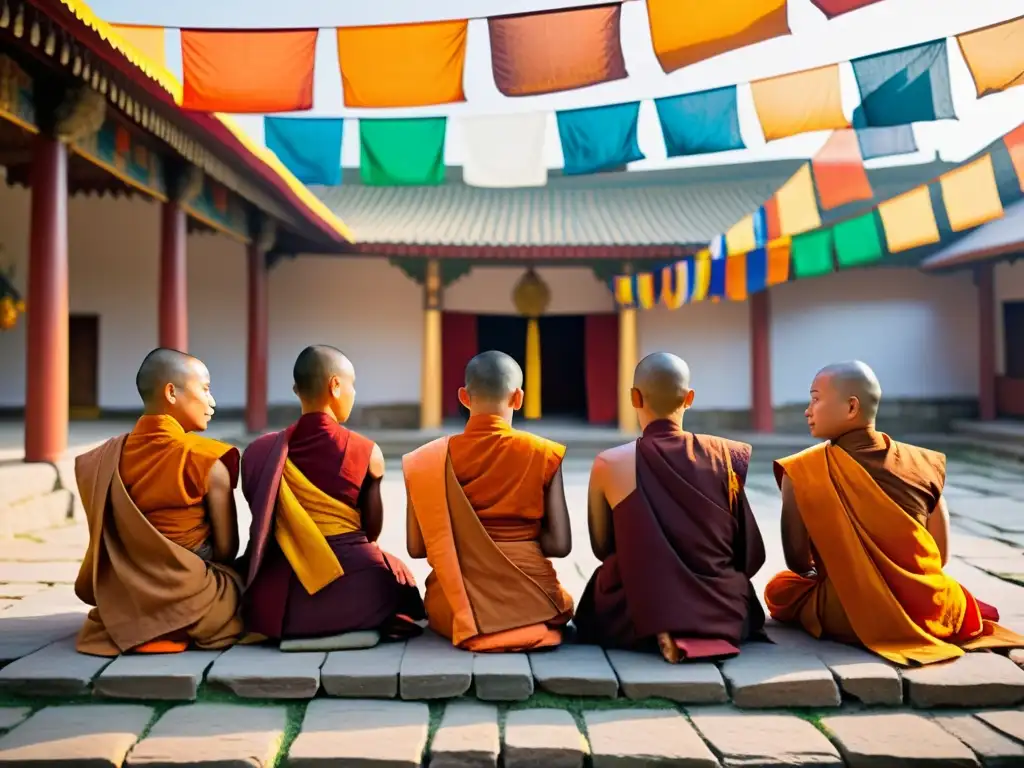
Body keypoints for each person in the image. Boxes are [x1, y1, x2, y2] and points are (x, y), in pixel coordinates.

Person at [765, 361, 1024, 665]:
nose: (807, 410)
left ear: (851, 408)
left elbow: (797, 562)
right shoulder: (923, 463)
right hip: (930, 609)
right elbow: (939, 556)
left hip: (849, 613)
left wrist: (849, 575)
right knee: (953, 595)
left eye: (816, 398)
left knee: (779, 589)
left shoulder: (801, 470)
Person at [573, 353, 766, 663]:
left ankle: (663, 621)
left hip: (634, 610)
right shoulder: (724, 455)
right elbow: (751, 554)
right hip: (722, 608)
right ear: (689, 398)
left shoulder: (611, 462)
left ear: (635, 397)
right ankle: (693, 626)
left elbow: (603, 547)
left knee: (607, 581)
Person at [239, 345, 424, 645]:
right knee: (396, 578)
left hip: (279, 601)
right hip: (355, 588)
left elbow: (264, 527)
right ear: (335, 385)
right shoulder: (366, 452)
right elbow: (370, 532)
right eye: (352, 384)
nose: (353, 393)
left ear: (296, 390)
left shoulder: (259, 453)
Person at [74, 348, 244, 656]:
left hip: (125, 595)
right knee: (243, 584)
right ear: (171, 392)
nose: (212, 402)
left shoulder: (100, 460)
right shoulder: (206, 460)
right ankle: (177, 623)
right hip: (192, 594)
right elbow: (226, 550)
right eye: (205, 389)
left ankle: (142, 623)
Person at [402, 350, 574, 652]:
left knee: (441, 604)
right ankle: (525, 629)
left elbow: (417, 549)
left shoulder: (426, 461)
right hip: (533, 598)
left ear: (463, 397)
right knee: (560, 603)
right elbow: (560, 545)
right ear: (518, 398)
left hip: (456, 602)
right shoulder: (542, 453)